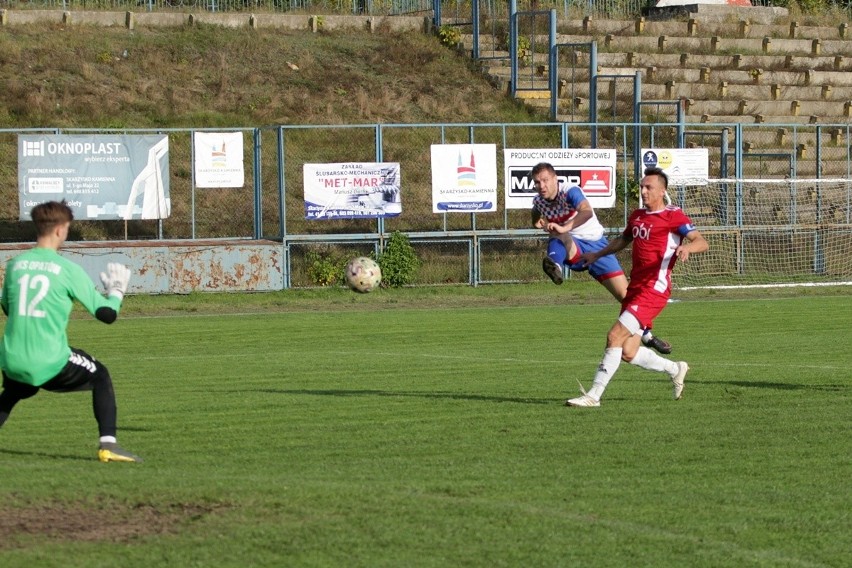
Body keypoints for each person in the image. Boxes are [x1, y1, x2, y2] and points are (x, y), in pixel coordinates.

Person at [0, 200, 140, 462]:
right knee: (100, 374)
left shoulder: (15, 265)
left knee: (17, 391)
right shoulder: (67, 270)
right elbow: (107, 315)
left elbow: (9, 308)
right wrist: (117, 292)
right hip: (49, 359)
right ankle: (108, 445)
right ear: (60, 230)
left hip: (11, 359)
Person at [565, 167, 709, 407]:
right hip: (636, 288)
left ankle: (593, 395)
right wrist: (597, 255)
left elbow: (701, 241)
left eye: (648, 187)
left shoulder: (674, 216)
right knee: (628, 352)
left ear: (662, 191)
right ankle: (675, 369)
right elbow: (623, 240)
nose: (642, 191)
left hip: (654, 289)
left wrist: (686, 248)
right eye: (641, 187)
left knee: (614, 336)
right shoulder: (637, 216)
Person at [530, 161, 672, 354]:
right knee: (559, 236)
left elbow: (586, 211)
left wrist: (564, 226)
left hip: (597, 247)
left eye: (545, 180)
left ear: (555, 179)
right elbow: (536, 212)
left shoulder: (569, 191)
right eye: (537, 182)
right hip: (574, 247)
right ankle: (555, 265)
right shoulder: (538, 201)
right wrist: (537, 222)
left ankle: (646, 335)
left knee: (627, 297)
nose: (542, 186)